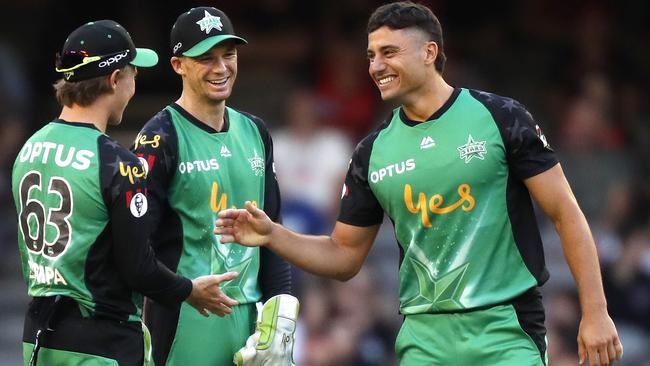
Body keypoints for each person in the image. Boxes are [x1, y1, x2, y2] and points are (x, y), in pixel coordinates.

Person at [215, 2, 624, 365]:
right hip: (424, 341)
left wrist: (596, 311)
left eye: (389, 52)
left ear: (430, 53)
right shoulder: (371, 153)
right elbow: (343, 256)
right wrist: (273, 235)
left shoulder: (502, 118)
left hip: (507, 332)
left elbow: (565, 213)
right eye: (372, 55)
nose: (375, 65)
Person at [12, 20, 238, 366]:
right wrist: (190, 291)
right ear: (116, 79)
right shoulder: (120, 164)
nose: (134, 83)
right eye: (133, 73)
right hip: (102, 341)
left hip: (39, 338)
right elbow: (139, 268)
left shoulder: (29, 149)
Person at [132, 7, 293, 366]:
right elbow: (135, 247)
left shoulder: (255, 131)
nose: (221, 68)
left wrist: (281, 311)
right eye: (206, 58)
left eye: (229, 55)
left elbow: (273, 233)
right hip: (187, 319)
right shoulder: (159, 138)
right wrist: (181, 292)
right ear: (178, 65)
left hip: (251, 320)